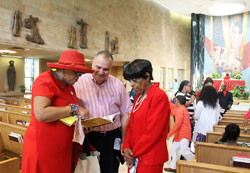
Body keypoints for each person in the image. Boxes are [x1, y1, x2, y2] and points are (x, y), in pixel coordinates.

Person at [21, 49, 93, 173]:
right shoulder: (45, 80)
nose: (78, 78)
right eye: (76, 73)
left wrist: (81, 125)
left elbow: (65, 114)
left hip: (62, 147)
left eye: (80, 74)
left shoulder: (70, 87)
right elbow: (41, 114)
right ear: (63, 69)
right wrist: (74, 108)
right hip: (43, 145)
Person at [74, 51, 132, 173]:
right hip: (88, 137)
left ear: (110, 69)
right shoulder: (78, 82)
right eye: (98, 67)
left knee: (110, 169)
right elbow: (71, 109)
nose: (101, 72)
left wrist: (124, 139)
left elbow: (125, 113)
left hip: (111, 137)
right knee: (88, 169)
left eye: (106, 69)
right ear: (92, 64)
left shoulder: (117, 84)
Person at [122, 59, 170, 173]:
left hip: (150, 157)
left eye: (135, 80)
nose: (131, 84)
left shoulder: (159, 96)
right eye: (130, 81)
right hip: (134, 154)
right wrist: (126, 148)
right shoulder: (139, 97)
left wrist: (133, 154)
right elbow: (131, 127)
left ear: (147, 76)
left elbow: (153, 132)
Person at [164, 96, 194, 172]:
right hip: (179, 134)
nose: (175, 102)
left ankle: (196, 162)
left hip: (184, 134)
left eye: (175, 101)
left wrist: (170, 134)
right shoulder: (181, 109)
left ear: (178, 101)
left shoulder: (180, 110)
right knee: (174, 150)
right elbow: (173, 109)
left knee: (184, 151)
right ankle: (173, 166)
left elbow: (177, 124)